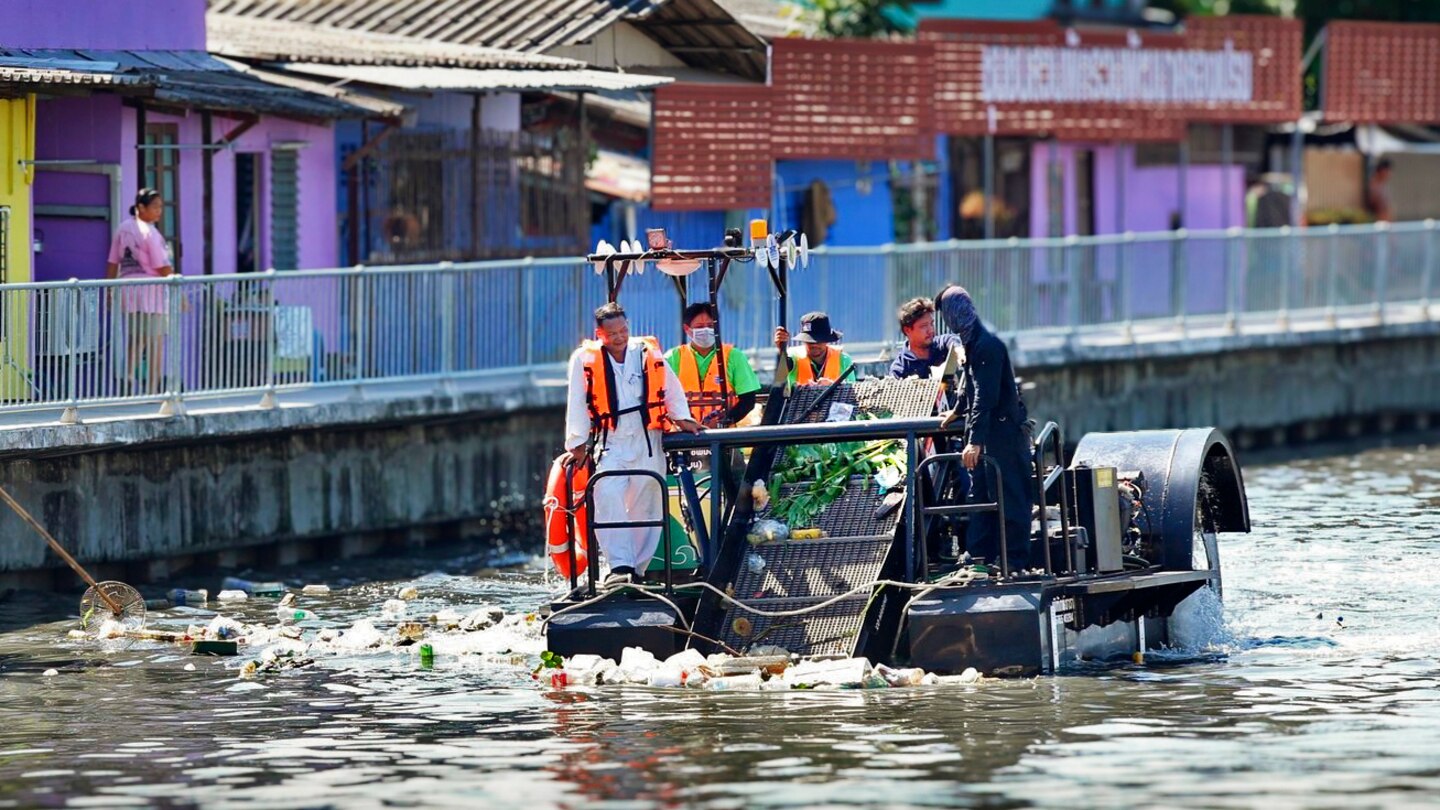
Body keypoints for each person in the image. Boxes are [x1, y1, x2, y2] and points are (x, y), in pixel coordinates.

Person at [565, 302, 702, 586]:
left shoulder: (646, 352)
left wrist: (683, 418)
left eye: (623, 330)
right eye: (612, 333)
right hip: (612, 439)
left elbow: (670, 387)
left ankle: (637, 569)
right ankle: (620, 566)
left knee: (647, 502)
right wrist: (577, 442)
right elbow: (576, 400)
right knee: (606, 492)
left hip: (647, 437)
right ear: (600, 334)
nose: (620, 337)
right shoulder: (584, 359)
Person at [936, 285, 1032, 571]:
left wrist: (974, 440)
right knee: (980, 495)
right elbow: (970, 384)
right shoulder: (970, 341)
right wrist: (957, 410)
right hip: (988, 432)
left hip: (1003, 433)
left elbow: (985, 394)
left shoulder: (986, 344)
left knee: (1011, 495)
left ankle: (1014, 561)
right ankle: (980, 557)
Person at [105, 188, 174, 395]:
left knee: (136, 337)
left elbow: (113, 262)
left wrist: (109, 288)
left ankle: (128, 375)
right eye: (155, 207)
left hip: (129, 290)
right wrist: (177, 285)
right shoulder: (149, 232)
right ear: (141, 208)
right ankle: (152, 389)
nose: (159, 211)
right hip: (151, 292)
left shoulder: (123, 228)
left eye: (160, 207)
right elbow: (162, 265)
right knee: (156, 341)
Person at [666, 302, 761, 427]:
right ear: (687, 329)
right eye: (699, 327)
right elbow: (663, 399)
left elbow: (748, 401)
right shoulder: (672, 357)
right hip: (682, 433)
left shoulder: (734, 356)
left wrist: (723, 422)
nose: (706, 330)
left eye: (710, 326)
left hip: (723, 434)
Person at [889, 297, 964, 380]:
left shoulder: (941, 346)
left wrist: (958, 350)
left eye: (931, 324)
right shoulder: (900, 368)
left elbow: (951, 339)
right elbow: (893, 386)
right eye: (924, 326)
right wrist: (909, 385)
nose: (931, 330)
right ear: (907, 330)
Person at [773, 311, 854, 386]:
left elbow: (852, 390)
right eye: (809, 341)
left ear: (827, 340)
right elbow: (781, 376)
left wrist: (833, 386)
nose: (814, 345)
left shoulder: (844, 360)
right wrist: (781, 349)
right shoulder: (793, 357)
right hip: (799, 397)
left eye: (819, 340)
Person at [1366, 158, 1393, 223]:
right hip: (1377, 222)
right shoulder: (1374, 186)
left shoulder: (1383, 185)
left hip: (1385, 222)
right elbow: (1378, 207)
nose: (1389, 174)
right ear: (1382, 171)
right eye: (1387, 171)